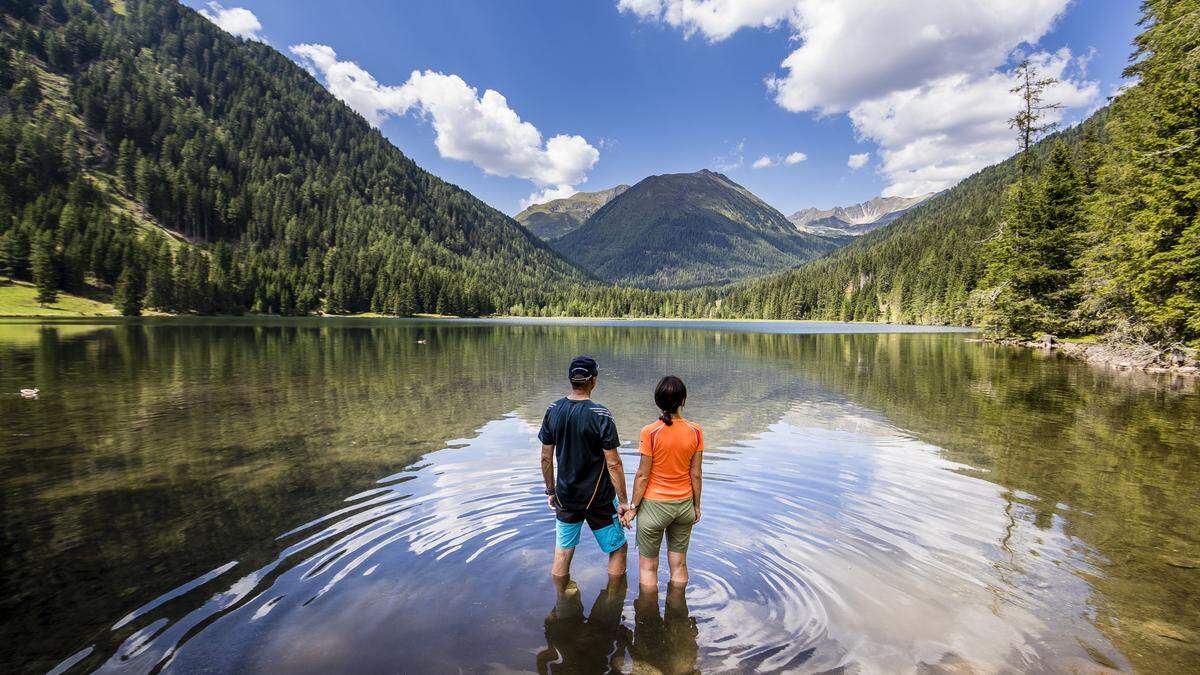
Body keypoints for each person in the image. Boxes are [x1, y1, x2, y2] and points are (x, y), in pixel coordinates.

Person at [539, 355, 631, 580]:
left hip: (565, 496)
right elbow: (614, 463)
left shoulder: (553, 409)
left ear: (571, 380)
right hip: (598, 498)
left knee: (563, 552)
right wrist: (624, 502)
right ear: (593, 381)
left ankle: (561, 597)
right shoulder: (600, 414)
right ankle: (613, 598)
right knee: (617, 548)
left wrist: (551, 492)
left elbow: (545, 458)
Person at [622, 375, 702, 588]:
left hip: (654, 508)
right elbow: (696, 474)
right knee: (679, 566)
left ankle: (648, 617)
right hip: (684, 506)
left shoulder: (650, 432)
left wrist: (633, 508)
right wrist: (696, 506)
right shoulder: (696, 431)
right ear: (683, 401)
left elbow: (642, 475)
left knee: (648, 568)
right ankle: (678, 612)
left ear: (657, 401)